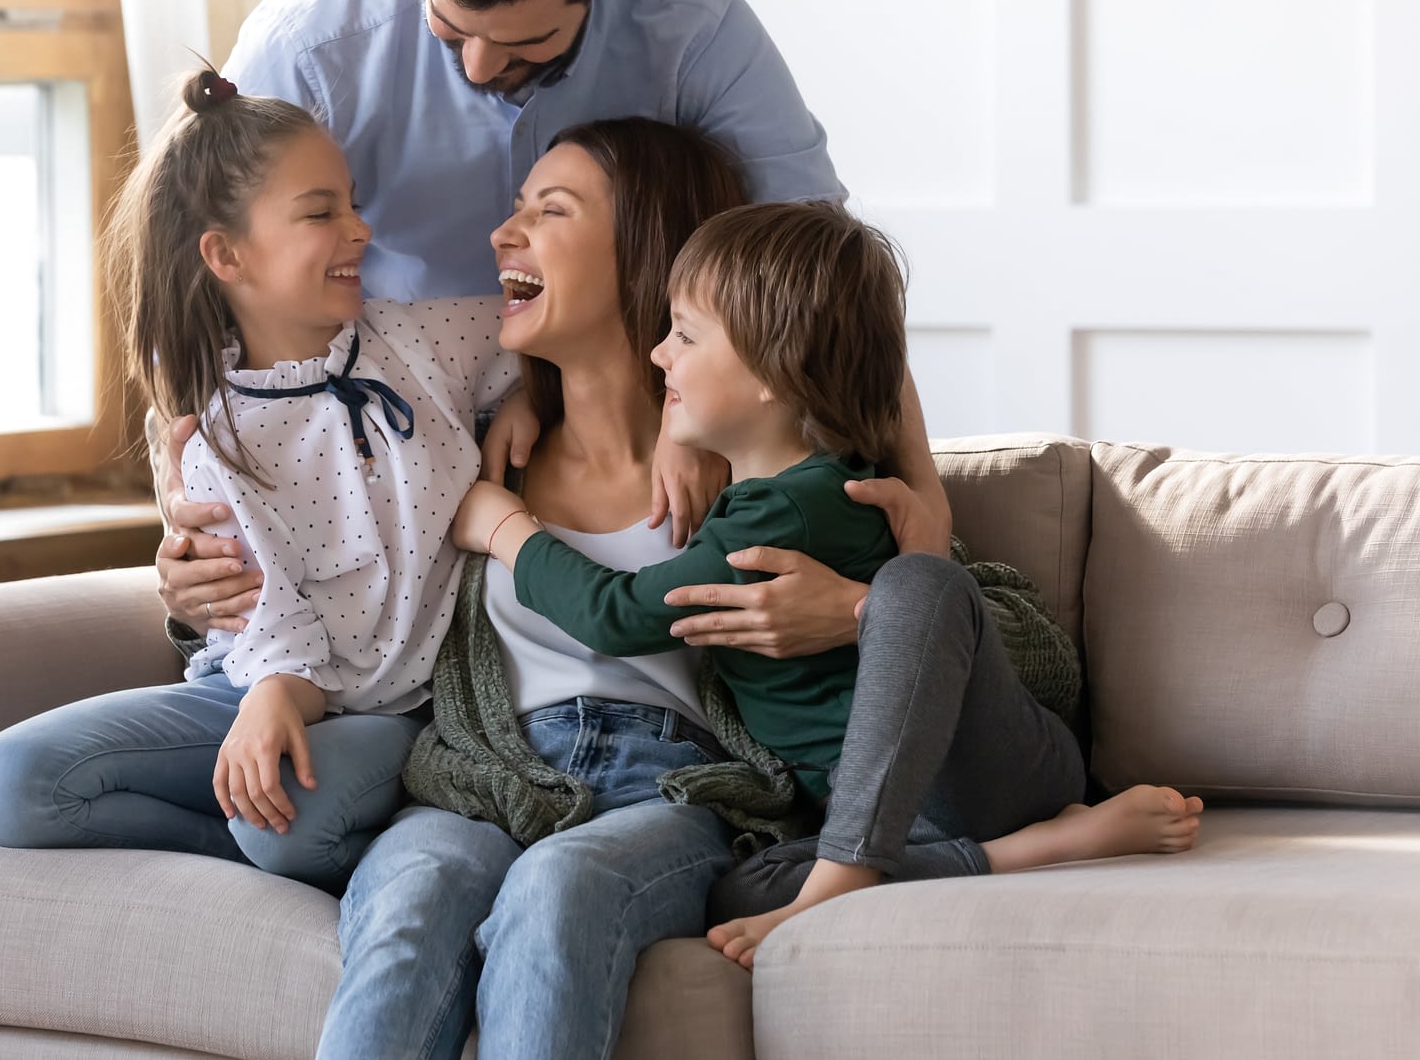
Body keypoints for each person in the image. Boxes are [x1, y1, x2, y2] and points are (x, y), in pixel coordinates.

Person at [158, 0, 953, 640]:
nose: (478, 65)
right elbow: (201, 288)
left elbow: (824, 276)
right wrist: (186, 504)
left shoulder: (695, 27)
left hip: (632, 402)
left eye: (525, 45)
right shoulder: (310, 45)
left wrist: (919, 504)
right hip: (380, 437)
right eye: (450, 28)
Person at [455, 201, 1204, 970]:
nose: (657, 355)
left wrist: (507, 529)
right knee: (740, 888)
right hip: (883, 813)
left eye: (684, 334)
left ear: (775, 376)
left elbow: (616, 616)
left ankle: (853, 873)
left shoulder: (803, 501)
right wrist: (535, 398)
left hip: (980, 768)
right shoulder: (759, 501)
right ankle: (1010, 854)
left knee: (920, 585)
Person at [0, 69, 523, 891]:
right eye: (320, 212)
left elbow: (545, 326)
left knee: (291, 827)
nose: (360, 230)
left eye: (352, 203)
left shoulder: (422, 341)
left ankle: (300, 836)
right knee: (10, 784)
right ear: (226, 255)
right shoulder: (208, 431)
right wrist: (269, 701)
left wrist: (534, 394)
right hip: (257, 688)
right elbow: (263, 618)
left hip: (388, 713)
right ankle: (251, 848)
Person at [314, 117, 782, 1060]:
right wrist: (195, 581)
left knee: (563, 884)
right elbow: (311, 533)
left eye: (550, 210)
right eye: (518, 205)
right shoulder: (468, 443)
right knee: (410, 899)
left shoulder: (752, 452)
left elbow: (934, 599)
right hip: (487, 775)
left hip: (672, 789)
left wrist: (865, 596)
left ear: (645, 249)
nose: (503, 232)